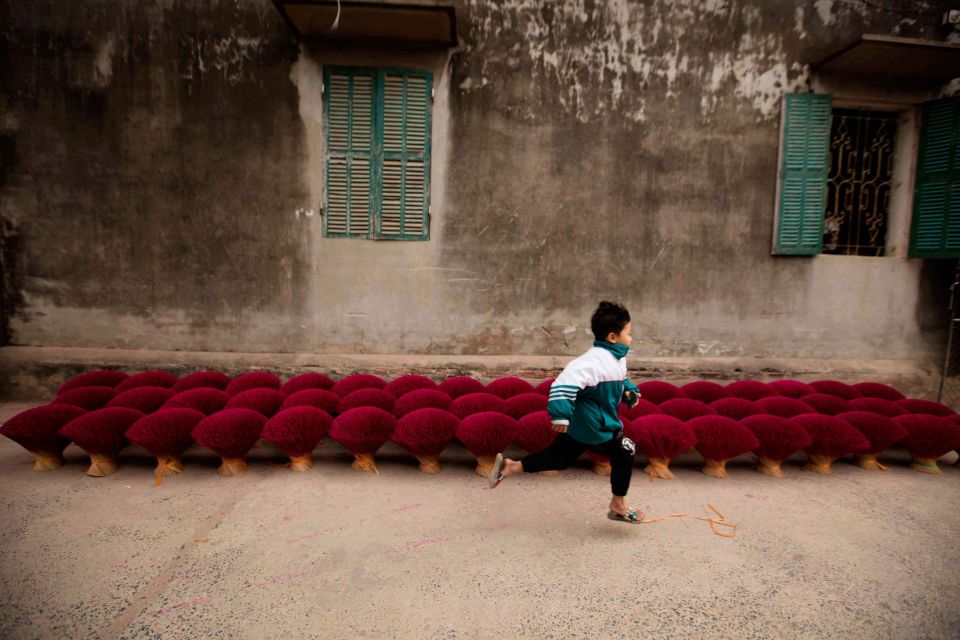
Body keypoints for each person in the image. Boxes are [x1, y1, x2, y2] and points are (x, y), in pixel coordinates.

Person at [488, 301, 644, 523]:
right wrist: (560, 414)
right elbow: (563, 385)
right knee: (625, 450)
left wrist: (629, 391)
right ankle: (618, 505)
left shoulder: (617, 357)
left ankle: (511, 466)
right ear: (612, 337)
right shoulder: (591, 362)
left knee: (558, 459)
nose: (631, 338)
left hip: (582, 424)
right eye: (629, 333)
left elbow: (621, 377)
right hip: (592, 425)